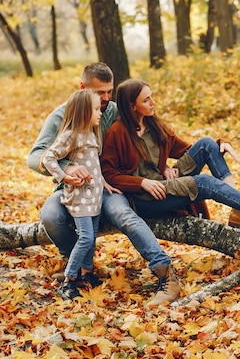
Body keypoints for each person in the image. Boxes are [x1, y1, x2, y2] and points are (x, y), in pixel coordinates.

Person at [28, 63, 181, 306]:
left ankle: (166, 273)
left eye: (109, 91)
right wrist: (67, 168)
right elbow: (35, 156)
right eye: (100, 93)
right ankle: (76, 266)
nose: (106, 99)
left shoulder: (116, 110)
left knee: (124, 214)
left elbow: (148, 130)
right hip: (73, 187)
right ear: (82, 88)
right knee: (49, 215)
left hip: (110, 185)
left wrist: (161, 163)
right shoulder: (62, 115)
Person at [100, 78, 240, 229]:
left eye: (152, 97)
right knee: (202, 182)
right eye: (146, 100)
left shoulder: (155, 126)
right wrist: (141, 183)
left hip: (166, 184)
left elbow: (187, 149)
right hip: (147, 198)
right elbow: (109, 174)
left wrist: (220, 144)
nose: (153, 102)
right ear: (131, 106)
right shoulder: (117, 133)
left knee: (207, 144)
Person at [41, 89, 105, 300]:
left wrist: (106, 184)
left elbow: (94, 167)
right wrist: (64, 176)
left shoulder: (91, 135)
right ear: (84, 111)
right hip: (80, 198)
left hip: (94, 198)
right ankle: (69, 280)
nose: (100, 113)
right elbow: (49, 157)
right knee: (85, 238)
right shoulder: (72, 135)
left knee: (91, 237)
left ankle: (87, 272)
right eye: (96, 109)